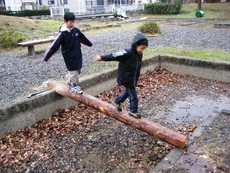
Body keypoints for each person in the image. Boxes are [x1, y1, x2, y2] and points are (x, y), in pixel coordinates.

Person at [95, 33, 148, 118]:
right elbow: (114, 55)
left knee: (128, 92)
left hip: (132, 78)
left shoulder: (139, 54)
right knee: (133, 96)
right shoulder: (127, 53)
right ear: (136, 45)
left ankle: (117, 101)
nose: (142, 50)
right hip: (126, 78)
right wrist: (102, 57)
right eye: (141, 48)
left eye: (144, 49)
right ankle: (133, 111)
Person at [42, 12, 92, 94]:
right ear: (65, 21)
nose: (72, 24)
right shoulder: (63, 34)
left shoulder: (76, 30)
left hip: (77, 54)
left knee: (78, 69)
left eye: (73, 22)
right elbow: (54, 46)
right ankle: (74, 86)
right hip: (69, 56)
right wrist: (46, 57)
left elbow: (83, 38)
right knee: (74, 71)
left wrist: (89, 44)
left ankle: (70, 79)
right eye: (70, 22)